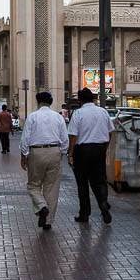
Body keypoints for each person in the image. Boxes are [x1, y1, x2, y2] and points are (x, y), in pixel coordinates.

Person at [20, 92, 68, 230]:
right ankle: (48, 222)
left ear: (37, 101)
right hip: (55, 151)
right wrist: (62, 153)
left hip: (36, 152)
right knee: (52, 188)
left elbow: (25, 139)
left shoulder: (32, 116)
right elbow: (64, 139)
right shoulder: (58, 117)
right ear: (51, 102)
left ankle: (41, 206)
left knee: (33, 185)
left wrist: (24, 156)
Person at [67, 88, 114, 224]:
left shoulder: (78, 113)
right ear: (93, 99)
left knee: (82, 183)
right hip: (99, 149)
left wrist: (70, 154)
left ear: (80, 100)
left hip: (82, 151)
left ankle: (84, 214)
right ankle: (103, 203)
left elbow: (73, 135)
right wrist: (104, 147)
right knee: (100, 180)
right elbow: (111, 132)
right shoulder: (103, 112)